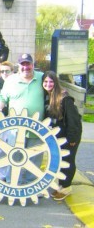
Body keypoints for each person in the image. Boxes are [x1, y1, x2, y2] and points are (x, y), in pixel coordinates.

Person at [0, 53, 45, 185]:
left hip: (37, 128)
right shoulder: (11, 80)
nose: (25, 67)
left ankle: (30, 186)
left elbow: (54, 88)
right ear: (18, 66)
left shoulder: (41, 78)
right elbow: (2, 97)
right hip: (15, 128)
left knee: (34, 158)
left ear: (33, 65)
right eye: (23, 64)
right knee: (14, 157)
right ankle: (13, 185)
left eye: (28, 64)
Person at [43, 71, 82, 201]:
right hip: (59, 136)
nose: (48, 84)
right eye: (45, 81)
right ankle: (61, 186)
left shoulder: (64, 98)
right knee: (61, 160)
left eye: (51, 81)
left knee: (68, 160)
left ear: (56, 82)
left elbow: (73, 119)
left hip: (69, 135)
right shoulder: (48, 97)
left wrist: (72, 139)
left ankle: (66, 188)